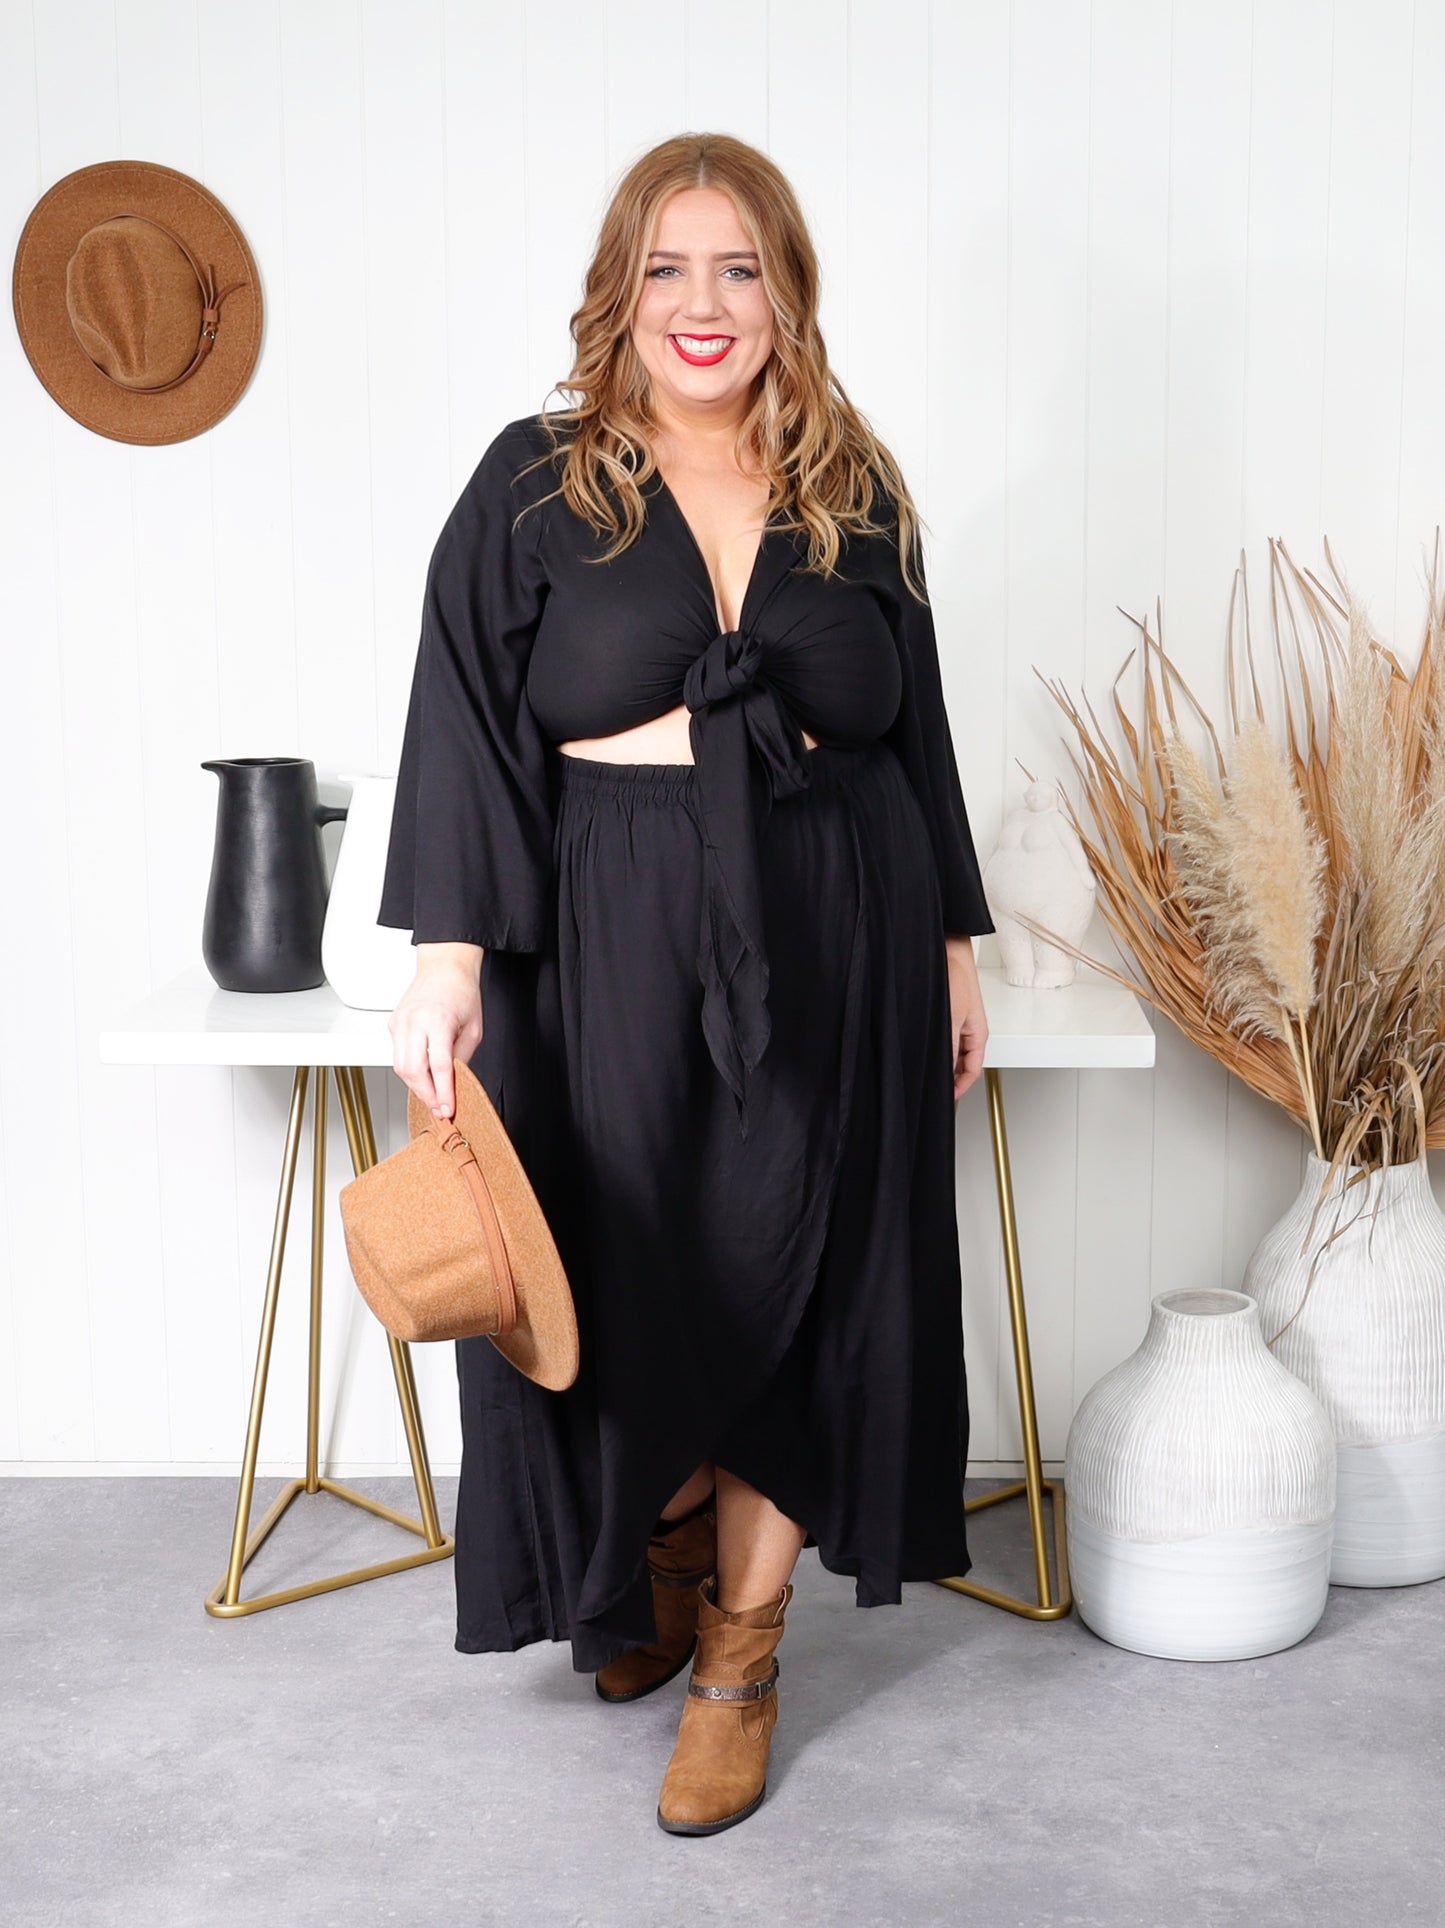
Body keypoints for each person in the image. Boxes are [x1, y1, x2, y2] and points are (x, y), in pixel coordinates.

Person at [378, 131, 993, 1837]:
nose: (701, 303)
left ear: (785, 292)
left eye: (738, 267)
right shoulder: (536, 480)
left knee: (821, 1266)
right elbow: (463, 715)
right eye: (666, 267)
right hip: (604, 922)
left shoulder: (853, 488)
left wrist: (949, 945)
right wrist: (447, 956)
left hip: (840, 916)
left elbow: (917, 727)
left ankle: (740, 1651)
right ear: (621, 291)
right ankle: (652, 1555)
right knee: (631, 1259)